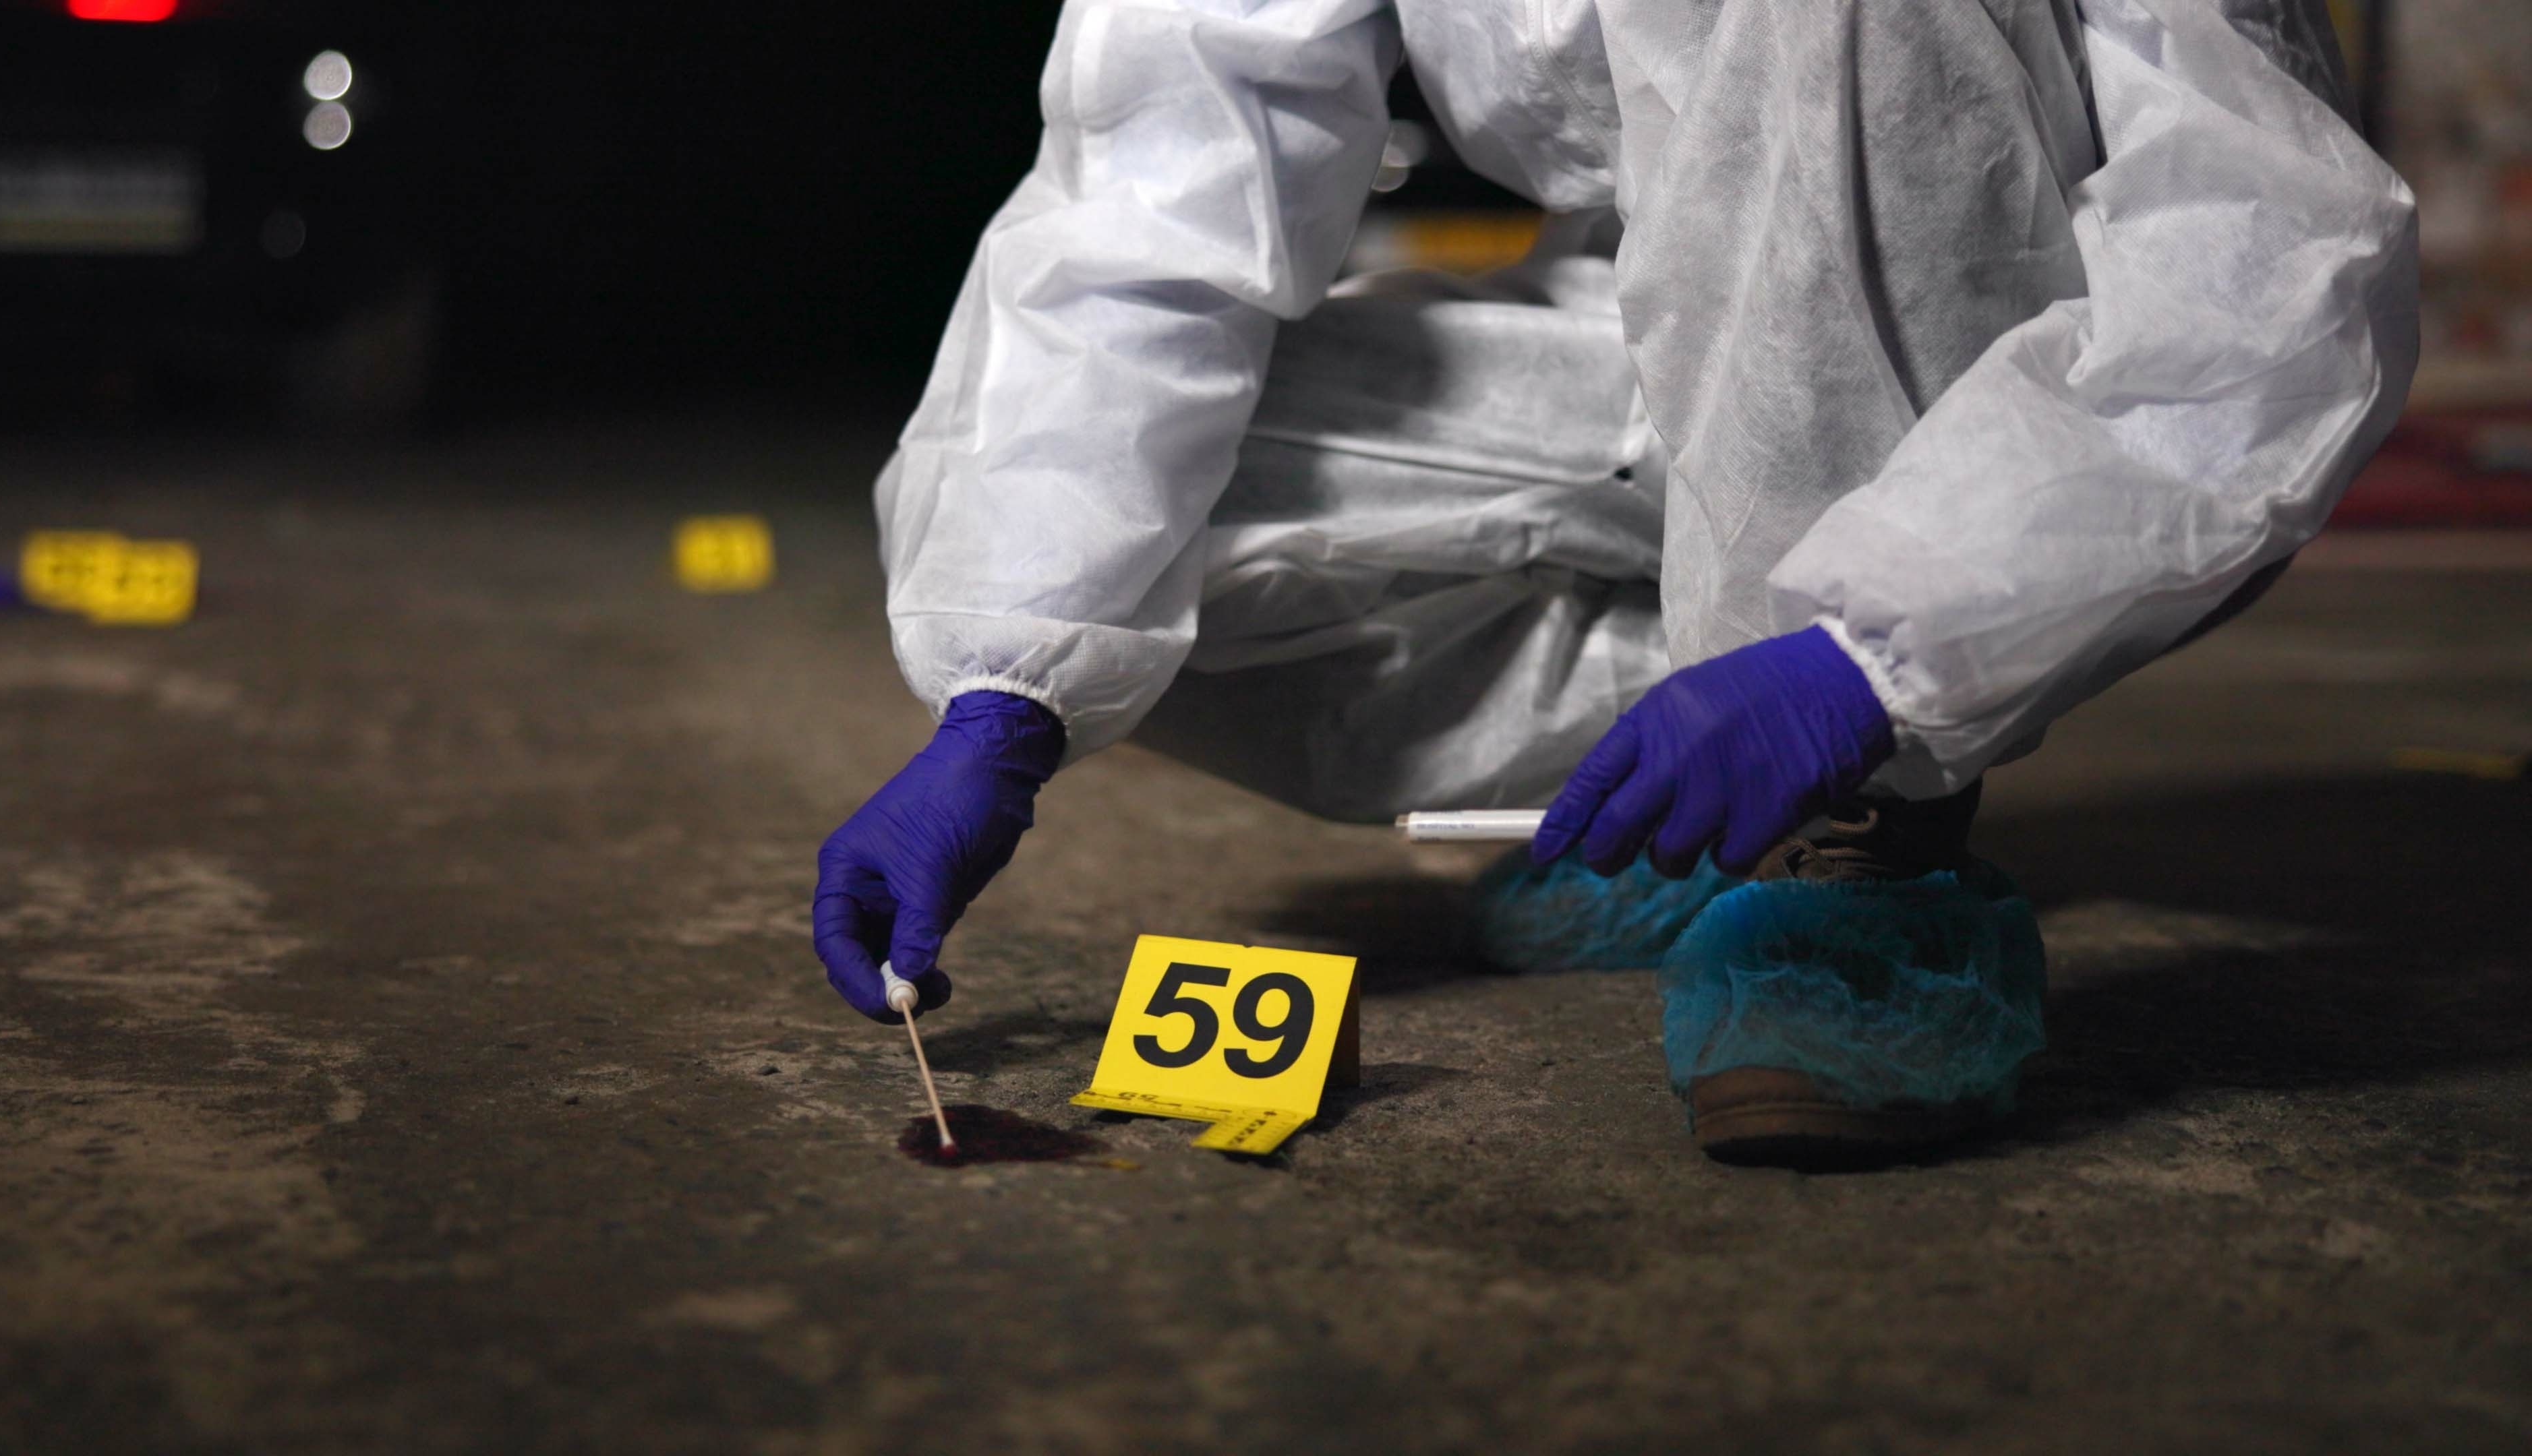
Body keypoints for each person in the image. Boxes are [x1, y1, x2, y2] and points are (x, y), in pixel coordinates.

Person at [814, 0, 2417, 1161]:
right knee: (1154, 533)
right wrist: (1004, 694)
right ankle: (1688, 759)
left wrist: (1874, 655)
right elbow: (1146, 201)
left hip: (2011, 371)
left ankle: (1864, 839)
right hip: (1651, 326)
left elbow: (2270, 258)